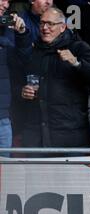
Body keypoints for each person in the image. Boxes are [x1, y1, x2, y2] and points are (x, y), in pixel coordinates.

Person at [19, 7, 90, 150]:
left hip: (70, 140)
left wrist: (77, 63)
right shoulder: (35, 51)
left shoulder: (78, 47)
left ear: (63, 27)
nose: (45, 28)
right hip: (36, 139)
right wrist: (23, 91)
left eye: (50, 24)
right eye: (42, 23)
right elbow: (20, 79)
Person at [0, 1, 29, 157]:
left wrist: (22, 34)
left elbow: (23, 61)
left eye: (8, 1)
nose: (6, 4)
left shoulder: (6, 29)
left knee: (4, 176)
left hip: (2, 118)